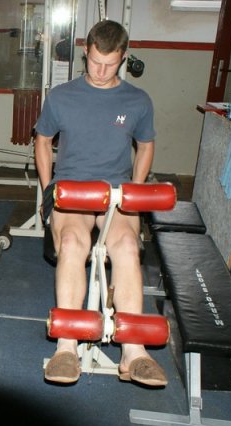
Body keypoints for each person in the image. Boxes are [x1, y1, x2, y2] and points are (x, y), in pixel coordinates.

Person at [35, 20, 166, 387]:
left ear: (123, 58)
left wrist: (135, 191)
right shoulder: (61, 96)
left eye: (110, 64)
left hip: (116, 193)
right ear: (86, 53)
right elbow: (42, 141)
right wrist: (48, 191)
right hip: (73, 191)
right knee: (73, 244)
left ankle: (134, 351)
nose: (101, 71)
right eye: (95, 62)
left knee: (125, 246)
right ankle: (66, 346)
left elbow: (146, 145)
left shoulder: (138, 100)